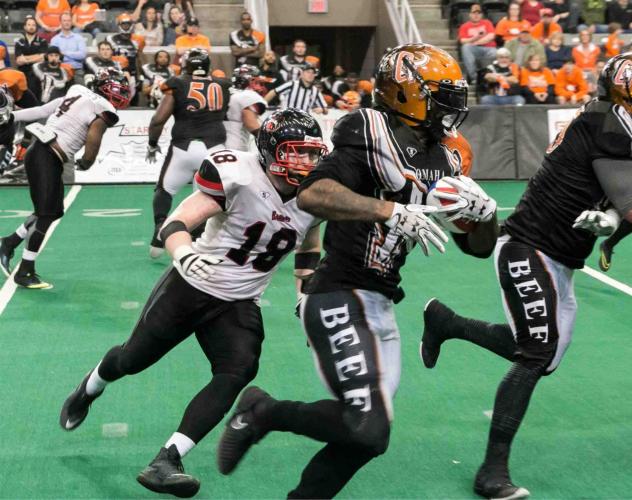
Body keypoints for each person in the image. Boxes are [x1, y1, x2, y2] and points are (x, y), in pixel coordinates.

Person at [216, 43, 499, 499]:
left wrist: (486, 215)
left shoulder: (449, 155)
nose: (451, 104)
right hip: (339, 293)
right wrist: (388, 210)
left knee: (368, 437)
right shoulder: (370, 128)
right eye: (440, 93)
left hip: (380, 301)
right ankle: (264, 412)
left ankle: (272, 431)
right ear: (406, 92)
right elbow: (313, 193)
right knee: (366, 426)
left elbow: (479, 249)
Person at [58, 108, 328, 498]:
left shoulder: (317, 193)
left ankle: (167, 459)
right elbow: (177, 222)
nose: (304, 161)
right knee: (133, 359)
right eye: (294, 152)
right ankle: (90, 386)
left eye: (310, 153)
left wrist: (304, 297)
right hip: (193, 283)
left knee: (238, 369)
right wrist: (184, 255)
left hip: (239, 300)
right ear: (269, 151)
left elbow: (309, 247)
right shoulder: (238, 172)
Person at [418, 52, 632, 499]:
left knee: (540, 354)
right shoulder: (607, 122)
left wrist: (611, 223)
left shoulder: (604, 119)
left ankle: (448, 323)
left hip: (559, 256)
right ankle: (490, 472)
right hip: (528, 246)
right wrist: (617, 218)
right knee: (536, 354)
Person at [0, 68, 131, 288]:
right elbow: (94, 134)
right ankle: (25, 271)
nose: (119, 91)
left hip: (40, 151)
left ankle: (9, 243)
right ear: (102, 85)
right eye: (115, 86)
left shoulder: (77, 90)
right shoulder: (103, 106)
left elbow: (42, 110)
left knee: (51, 210)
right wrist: (88, 160)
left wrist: (12, 116)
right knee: (47, 213)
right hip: (47, 155)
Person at [146, 48, 230, 259]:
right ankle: (199, 241)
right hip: (215, 148)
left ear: (186, 66)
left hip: (184, 146)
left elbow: (158, 119)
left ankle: (159, 231)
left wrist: (152, 143)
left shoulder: (177, 83)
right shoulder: (223, 84)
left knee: (164, 190)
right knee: (207, 197)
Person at [225, 65, 266, 151]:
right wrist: (267, 139)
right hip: (237, 147)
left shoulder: (225, 92)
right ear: (247, 82)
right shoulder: (247, 95)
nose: (260, 87)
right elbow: (250, 122)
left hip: (218, 144)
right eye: (257, 83)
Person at [107, 13, 145, 104]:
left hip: (132, 72)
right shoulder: (110, 39)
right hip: (115, 71)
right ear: (119, 25)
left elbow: (139, 58)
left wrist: (140, 76)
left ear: (132, 25)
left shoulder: (138, 39)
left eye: (128, 24)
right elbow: (107, 55)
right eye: (123, 24)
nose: (126, 26)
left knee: (133, 99)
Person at [458, 4, 497, 83]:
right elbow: (463, 41)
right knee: (465, 48)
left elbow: (491, 36)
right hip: (474, 50)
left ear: (481, 15)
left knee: (496, 52)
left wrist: (476, 42)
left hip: (489, 48)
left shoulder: (487, 23)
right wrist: (475, 38)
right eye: (474, 13)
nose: (476, 15)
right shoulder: (465, 26)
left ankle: (492, 77)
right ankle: (474, 77)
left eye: (478, 13)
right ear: (470, 14)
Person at [15, 16, 49, 96]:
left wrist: (26, 59)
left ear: (36, 27)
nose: (31, 27)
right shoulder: (19, 42)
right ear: (25, 27)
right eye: (29, 25)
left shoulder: (43, 41)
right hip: (23, 72)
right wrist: (36, 56)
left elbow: (42, 58)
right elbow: (19, 61)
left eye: (33, 25)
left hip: (38, 72)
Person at [51, 12, 87, 82]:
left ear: (71, 22)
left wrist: (64, 53)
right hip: (60, 69)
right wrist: (74, 54)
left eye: (69, 20)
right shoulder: (55, 39)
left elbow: (82, 55)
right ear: (60, 22)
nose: (67, 23)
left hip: (76, 69)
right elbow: (54, 58)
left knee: (80, 90)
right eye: (64, 20)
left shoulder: (79, 38)